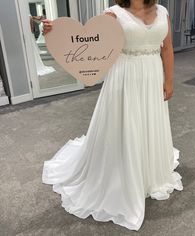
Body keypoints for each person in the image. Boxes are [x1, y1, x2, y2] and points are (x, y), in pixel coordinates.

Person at [42, 0, 183, 231]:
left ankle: (148, 173)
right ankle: (123, 175)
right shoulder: (113, 14)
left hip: (152, 76)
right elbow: (88, 43)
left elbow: (166, 48)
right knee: (125, 126)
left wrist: (168, 80)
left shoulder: (162, 12)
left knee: (148, 124)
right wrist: (55, 31)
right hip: (125, 78)